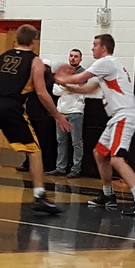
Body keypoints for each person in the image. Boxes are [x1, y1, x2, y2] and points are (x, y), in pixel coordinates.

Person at [0, 24, 72, 213]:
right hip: (12, 106)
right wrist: (57, 115)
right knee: (34, 150)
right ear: (34, 41)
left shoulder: (2, 57)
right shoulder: (35, 61)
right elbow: (41, 92)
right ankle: (39, 195)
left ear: (16, 39)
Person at [55, 34, 135, 216]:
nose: (92, 48)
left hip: (124, 114)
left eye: (94, 45)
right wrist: (68, 88)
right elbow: (89, 88)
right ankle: (108, 195)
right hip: (117, 116)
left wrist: (59, 78)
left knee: (116, 159)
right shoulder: (108, 67)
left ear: (104, 48)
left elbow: (80, 78)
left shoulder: (106, 62)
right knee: (100, 154)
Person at [48, 49, 86, 178]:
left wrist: (64, 85)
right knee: (61, 141)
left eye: (76, 56)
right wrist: (68, 86)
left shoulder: (82, 73)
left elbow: (77, 86)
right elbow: (55, 91)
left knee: (76, 142)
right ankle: (61, 167)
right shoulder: (63, 72)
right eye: (71, 56)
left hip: (75, 112)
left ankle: (76, 169)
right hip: (61, 113)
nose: (73, 58)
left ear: (80, 59)